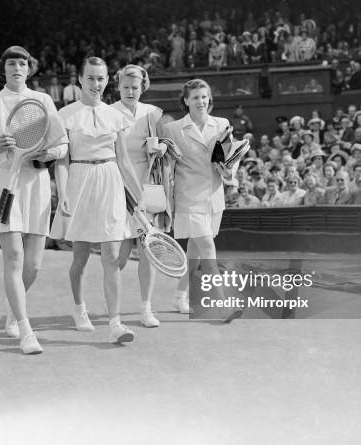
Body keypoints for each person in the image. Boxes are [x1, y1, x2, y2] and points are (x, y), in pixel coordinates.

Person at [0, 46, 68, 355]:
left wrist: (48, 154)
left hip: (36, 187)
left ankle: (14, 309)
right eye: (11, 63)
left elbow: (62, 144)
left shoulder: (44, 101)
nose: (17, 68)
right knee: (14, 258)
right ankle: (26, 330)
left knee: (34, 266)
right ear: (4, 68)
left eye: (22, 63)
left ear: (29, 68)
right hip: (4, 188)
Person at [50, 57, 145, 344]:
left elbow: (125, 161)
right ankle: (80, 309)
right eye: (91, 78)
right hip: (79, 182)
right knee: (79, 258)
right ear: (79, 79)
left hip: (110, 181)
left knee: (112, 258)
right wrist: (64, 194)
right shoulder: (65, 115)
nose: (96, 84)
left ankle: (115, 323)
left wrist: (139, 197)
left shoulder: (116, 116)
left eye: (101, 78)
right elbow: (62, 162)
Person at [162, 78, 244, 319]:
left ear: (210, 100)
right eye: (195, 97)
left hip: (214, 196)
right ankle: (223, 304)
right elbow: (167, 167)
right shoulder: (172, 129)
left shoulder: (222, 124)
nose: (200, 101)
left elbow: (230, 159)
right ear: (186, 101)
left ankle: (180, 295)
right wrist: (166, 201)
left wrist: (230, 171)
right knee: (207, 248)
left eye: (204, 96)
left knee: (196, 253)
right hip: (188, 197)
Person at [110, 65, 170, 327]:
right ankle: (115, 309)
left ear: (143, 87)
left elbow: (169, 142)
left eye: (135, 87)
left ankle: (146, 309)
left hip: (147, 187)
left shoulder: (153, 113)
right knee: (119, 256)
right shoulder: (109, 113)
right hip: (117, 187)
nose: (130, 91)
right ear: (118, 87)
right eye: (125, 87)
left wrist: (160, 148)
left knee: (147, 251)